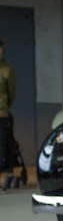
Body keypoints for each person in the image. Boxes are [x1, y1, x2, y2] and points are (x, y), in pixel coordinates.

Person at [0, 38, 15, 172]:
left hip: (2, 113)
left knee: (2, 146)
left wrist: (4, 107)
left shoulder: (7, 70)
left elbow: (11, 93)